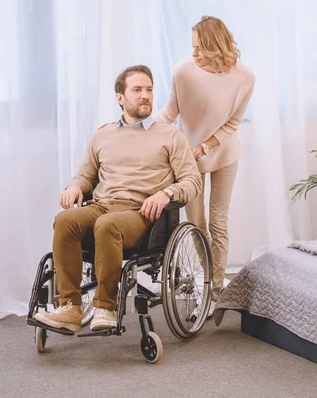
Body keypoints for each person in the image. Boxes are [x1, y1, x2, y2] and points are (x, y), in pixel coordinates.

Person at [35, 65, 202, 333]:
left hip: (142, 215)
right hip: (102, 206)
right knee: (65, 220)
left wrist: (166, 193)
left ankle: (105, 307)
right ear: (120, 97)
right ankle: (70, 308)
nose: (145, 95)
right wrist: (74, 187)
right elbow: (85, 175)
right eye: (137, 90)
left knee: (107, 225)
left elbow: (192, 181)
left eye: (149, 89)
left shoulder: (170, 135)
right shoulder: (103, 134)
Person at [153, 16, 255, 316]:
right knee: (196, 224)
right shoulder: (183, 71)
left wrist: (205, 145)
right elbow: (169, 113)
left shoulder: (244, 77)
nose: (194, 54)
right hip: (188, 159)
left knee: (218, 222)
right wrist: (136, 127)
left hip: (223, 153)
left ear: (217, 46)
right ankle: (207, 277)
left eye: (201, 47)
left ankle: (214, 292)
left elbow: (233, 123)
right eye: (192, 46)